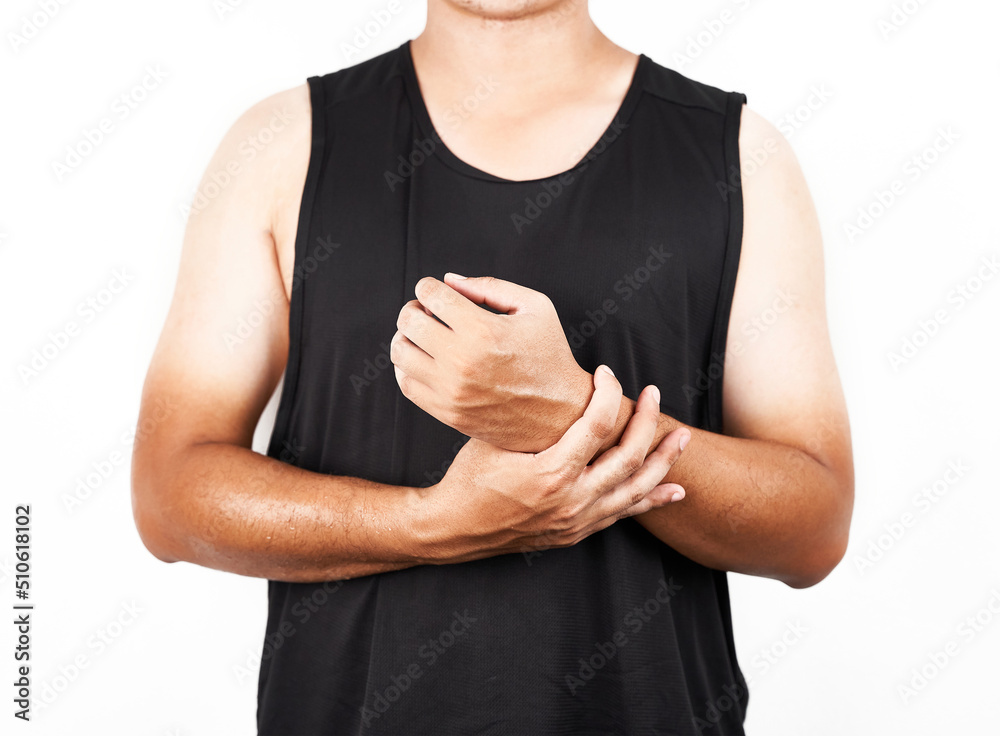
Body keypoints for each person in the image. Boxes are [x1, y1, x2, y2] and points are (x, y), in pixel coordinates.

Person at [131, 1, 854, 733]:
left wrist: (571, 410)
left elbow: (813, 526)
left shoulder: (737, 156)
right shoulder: (279, 146)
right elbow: (169, 493)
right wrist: (428, 525)